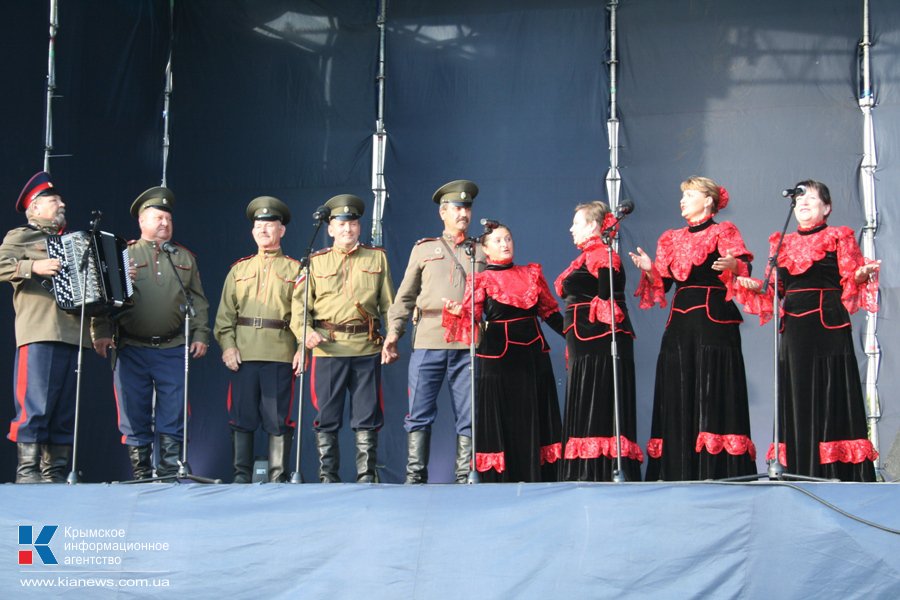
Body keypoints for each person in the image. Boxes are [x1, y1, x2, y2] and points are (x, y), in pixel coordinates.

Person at [737, 181, 880, 481]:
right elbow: (773, 290)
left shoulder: (838, 236)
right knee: (796, 390)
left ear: (826, 208)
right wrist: (752, 285)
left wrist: (861, 274)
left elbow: (850, 276)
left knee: (829, 388)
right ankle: (799, 468)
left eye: (811, 198)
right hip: (794, 327)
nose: (803, 202)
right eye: (799, 198)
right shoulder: (781, 242)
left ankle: (834, 470)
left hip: (828, 323)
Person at [629, 176, 756, 480]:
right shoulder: (670, 238)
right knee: (679, 386)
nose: (682, 201)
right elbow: (664, 284)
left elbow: (743, 267)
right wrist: (650, 270)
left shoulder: (724, 231)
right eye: (682, 196)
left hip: (714, 321)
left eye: (689, 195)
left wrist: (733, 266)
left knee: (713, 386)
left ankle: (716, 468)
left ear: (708, 200)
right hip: (680, 322)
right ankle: (678, 465)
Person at [92, 186, 210, 480]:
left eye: (168, 219)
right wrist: (101, 332)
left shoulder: (184, 257)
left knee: (174, 410)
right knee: (133, 410)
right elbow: (104, 298)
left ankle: (170, 470)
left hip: (172, 347)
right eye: (158, 218)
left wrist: (200, 334)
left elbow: (197, 300)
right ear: (142, 221)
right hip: (131, 347)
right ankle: (142, 472)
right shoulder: (124, 253)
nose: (164, 224)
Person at [383, 180, 487, 484]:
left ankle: (465, 477)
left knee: (469, 415)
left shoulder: (481, 250)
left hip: (467, 343)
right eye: (457, 208)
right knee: (419, 412)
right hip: (429, 338)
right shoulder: (424, 249)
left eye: (467, 208)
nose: (463, 213)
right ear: (443, 213)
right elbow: (405, 296)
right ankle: (415, 477)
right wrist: (393, 333)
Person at [443, 224, 564, 483]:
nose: (505, 244)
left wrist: (574, 336)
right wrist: (459, 312)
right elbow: (473, 319)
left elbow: (550, 313)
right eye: (498, 240)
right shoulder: (480, 279)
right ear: (485, 249)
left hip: (533, 356)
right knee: (503, 415)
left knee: (534, 413)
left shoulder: (531, 273)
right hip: (498, 359)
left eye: (508, 238)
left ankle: (538, 475)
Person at [293, 194, 394, 483]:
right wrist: (305, 332)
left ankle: (366, 476)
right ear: (330, 229)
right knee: (326, 416)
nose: (347, 229)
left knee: (367, 416)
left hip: (366, 347)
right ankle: (328, 478)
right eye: (341, 224)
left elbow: (389, 304)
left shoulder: (377, 258)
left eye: (352, 223)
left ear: (359, 227)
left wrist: (392, 338)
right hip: (328, 348)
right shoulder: (315, 261)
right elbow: (298, 306)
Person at [0, 171, 89, 483]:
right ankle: (28, 472)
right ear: (34, 207)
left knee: (64, 410)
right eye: (54, 200)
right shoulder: (21, 236)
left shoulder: (74, 242)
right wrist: (32, 266)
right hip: (39, 330)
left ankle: (54, 473)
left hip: (73, 333)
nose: (61, 204)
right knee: (34, 405)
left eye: (61, 200)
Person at [214, 196, 302, 483]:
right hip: (244, 354)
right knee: (242, 417)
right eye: (258, 226)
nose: (263, 230)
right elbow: (224, 316)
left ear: (282, 230)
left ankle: (277, 478)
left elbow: (304, 315)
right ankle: (241, 477)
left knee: (277, 419)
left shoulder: (295, 269)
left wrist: (302, 348)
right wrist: (228, 346)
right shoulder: (239, 270)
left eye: (269, 224)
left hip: (279, 354)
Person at [555, 201, 643, 482]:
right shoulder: (587, 256)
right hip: (584, 342)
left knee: (599, 395)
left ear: (593, 225)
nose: (571, 229)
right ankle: (585, 468)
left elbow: (606, 295)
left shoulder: (601, 254)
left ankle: (600, 469)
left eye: (576, 223)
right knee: (586, 394)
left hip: (598, 341)